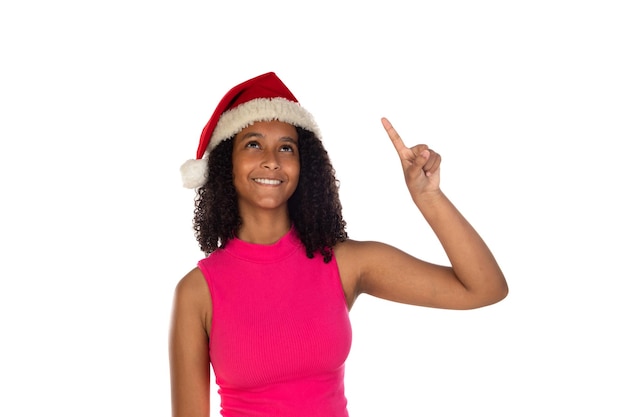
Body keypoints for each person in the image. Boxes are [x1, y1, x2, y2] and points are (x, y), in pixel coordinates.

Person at [169, 72, 508, 417]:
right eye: (253, 144)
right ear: (226, 162)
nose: (272, 159)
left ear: (305, 164)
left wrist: (429, 197)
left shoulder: (343, 263)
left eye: (287, 147)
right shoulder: (197, 292)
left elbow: (484, 289)